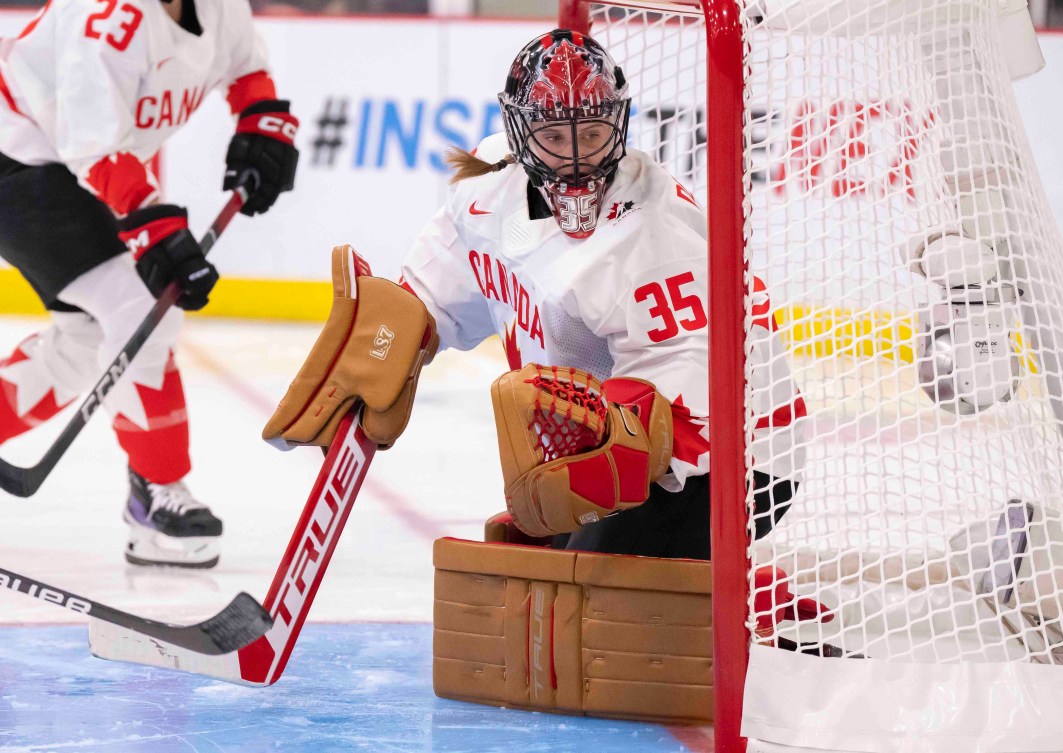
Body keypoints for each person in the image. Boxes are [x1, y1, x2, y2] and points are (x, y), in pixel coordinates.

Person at [0, 0, 299, 568]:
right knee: (136, 303)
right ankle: (155, 492)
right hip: (16, 152)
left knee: (88, 343)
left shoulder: (217, 5)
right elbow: (97, 150)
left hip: (78, 160)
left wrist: (261, 123)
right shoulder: (103, 19)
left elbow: (246, 70)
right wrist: (153, 227)